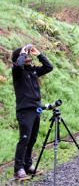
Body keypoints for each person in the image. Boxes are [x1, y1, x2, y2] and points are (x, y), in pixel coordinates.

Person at [12, 44, 53, 180]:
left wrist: (38, 54)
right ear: (20, 58)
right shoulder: (17, 72)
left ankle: (28, 165)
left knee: (32, 139)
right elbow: (18, 65)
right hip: (25, 111)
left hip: (36, 108)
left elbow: (49, 67)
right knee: (24, 139)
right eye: (25, 55)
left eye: (29, 55)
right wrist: (23, 53)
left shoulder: (33, 71)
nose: (28, 56)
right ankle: (18, 169)